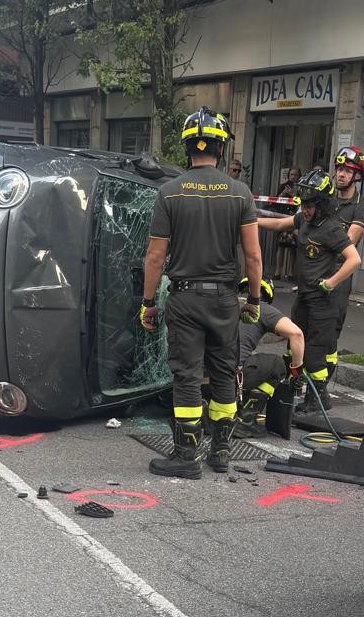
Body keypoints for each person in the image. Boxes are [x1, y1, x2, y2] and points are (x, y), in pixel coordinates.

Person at [139, 107, 264, 479]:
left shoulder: (169, 193)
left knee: (187, 376)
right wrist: (254, 300)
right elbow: (254, 255)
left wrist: (147, 304)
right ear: (221, 148)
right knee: (225, 373)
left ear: (187, 147)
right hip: (225, 300)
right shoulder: (240, 193)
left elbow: (155, 256)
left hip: (185, 298)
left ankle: (185, 456)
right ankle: (221, 452)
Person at [257, 170, 360, 413]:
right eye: (303, 204)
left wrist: (332, 282)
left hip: (322, 301)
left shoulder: (332, 229)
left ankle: (319, 398)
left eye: (311, 206)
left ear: (323, 205)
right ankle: (296, 385)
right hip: (304, 296)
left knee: (314, 352)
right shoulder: (304, 220)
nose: (306, 209)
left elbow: (354, 259)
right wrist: (253, 222)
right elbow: (280, 223)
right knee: (295, 343)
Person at [325, 145, 364, 389]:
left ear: (357, 176)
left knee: (330, 335)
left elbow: (347, 242)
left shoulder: (360, 208)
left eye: (346, 170)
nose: (340, 174)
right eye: (338, 169)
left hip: (339, 279)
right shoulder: (327, 200)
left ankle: (319, 391)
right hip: (314, 272)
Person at [234, 278, 305, 438]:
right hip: (230, 380)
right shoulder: (260, 308)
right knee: (276, 364)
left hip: (200, 379)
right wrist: (296, 373)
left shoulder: (224, 302)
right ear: (266, 294)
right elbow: (297, 334)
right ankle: (244, 422)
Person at [274, 166, 301, 282]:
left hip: (294, 218)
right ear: (288, 176)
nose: (293, 177)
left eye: (296, 175)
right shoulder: (283, 186)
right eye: (292, 175)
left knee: (292, 248)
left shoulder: (300, 188)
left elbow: (301, 202)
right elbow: (275, 200)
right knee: (281, 246)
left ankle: (290, 272)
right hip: (282, 217)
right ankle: (277, 271)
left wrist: (293, 195)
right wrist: (283, 194)